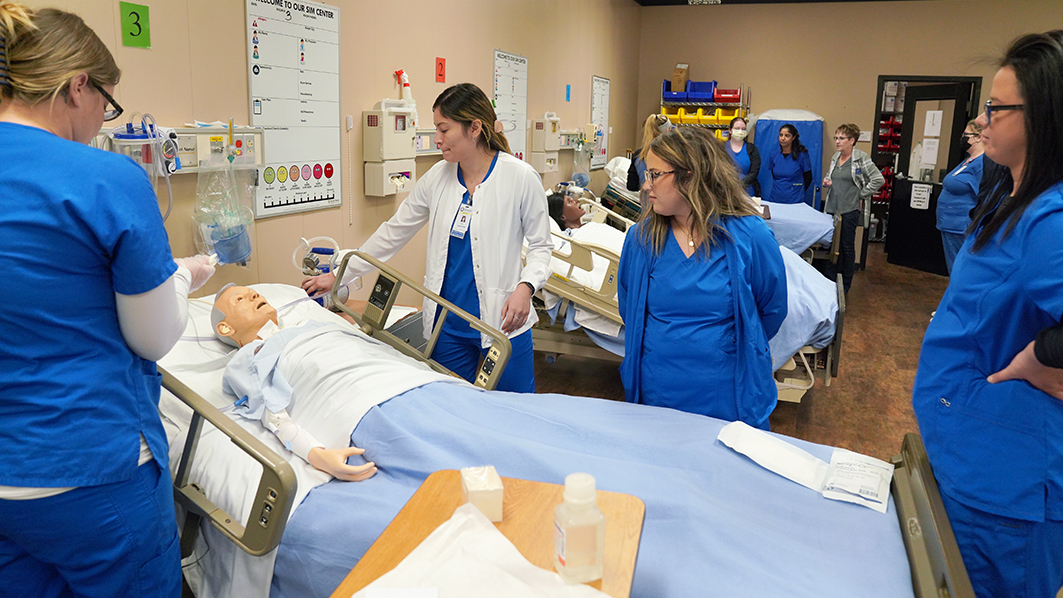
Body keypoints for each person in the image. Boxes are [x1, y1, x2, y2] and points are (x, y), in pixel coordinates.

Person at [0, 4, 216, 596]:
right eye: (106, 103)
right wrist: (181, 276)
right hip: (91, 469)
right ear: (77, 87)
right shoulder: (105, 178)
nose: (103, 120)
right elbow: (152, 337)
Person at [911, 31, 1063, 598]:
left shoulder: (1050, 221)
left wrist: (1042, 354)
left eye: (998, 109)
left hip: (1007, 484)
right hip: (970, 454)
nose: (984, 119)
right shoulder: (1011, 196)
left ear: (1044, 116)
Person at [302, 83, 552, 393]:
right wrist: (340, 275)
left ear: (474, 128)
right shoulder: (437, 178)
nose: (437, 139)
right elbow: (394, 231)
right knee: (450, 409)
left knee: (517, 413)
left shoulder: (520, 178)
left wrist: (525, 289)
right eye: (435, 129)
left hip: (503, 321)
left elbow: (542, 247)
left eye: (444, 129)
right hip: (447, 326)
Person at [618, 127, 787, 429]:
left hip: (729, 397)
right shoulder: (641, 240)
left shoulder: (751, 237)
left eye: (655, 174)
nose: (646, 185)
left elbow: (772, 309)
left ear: (690, 176)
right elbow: (630, 308)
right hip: (658, 395)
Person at [211, 284, 378, 482]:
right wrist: (317, 455)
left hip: (396, 376)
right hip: (363, 402)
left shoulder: (311, 325)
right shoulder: (248, 357)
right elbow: (272, 413)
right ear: (225, 327)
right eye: (240, 299)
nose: (255, 294)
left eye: (253, 293)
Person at [822, 123, 884, 293]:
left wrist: (861, 194)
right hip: (832, 209)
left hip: (849, 210)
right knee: (830, 246)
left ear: (852, 140)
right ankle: (829, 281)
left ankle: (845, 285)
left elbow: (878, 180)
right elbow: (831, 175)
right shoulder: (836, 157)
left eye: (841, 138)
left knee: (846, 247)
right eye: (836, 138)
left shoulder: (861, 158)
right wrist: (827, 181)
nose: (837, 141)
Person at [936, 120, 985, 274]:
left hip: (962, 227)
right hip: (950, 224)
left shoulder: (981, 164)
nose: (962, 138)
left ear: (978, 137)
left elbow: (985, 198)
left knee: (961, 271)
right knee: (954, 268)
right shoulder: (967, 161)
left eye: (966, 134)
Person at [627, 113, 674, 192]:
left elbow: (631, 186)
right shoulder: (672, 155)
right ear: (667, 131)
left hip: (646, 201)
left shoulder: (638, 155)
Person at [768, 124, 812, 204]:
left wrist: (798, 190)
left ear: (793, 137)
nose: (783, 138)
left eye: (787, 136)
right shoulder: (774, 155)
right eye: (781, 135)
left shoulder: (802, 155)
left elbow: (808, 177)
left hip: (794, 199)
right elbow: (774, 176)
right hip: (775, 198)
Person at [724, 116, 761, 197]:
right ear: (730, 130)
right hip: (726, 191)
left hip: (747, 192)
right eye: (737, 128)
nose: (740, 131)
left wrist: (739, 186)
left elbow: (754, 172)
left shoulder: (752, 149)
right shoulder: (721, 147)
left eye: (743, 129)